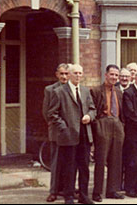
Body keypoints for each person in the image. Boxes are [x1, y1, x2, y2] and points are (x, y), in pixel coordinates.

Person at [48, 64, 96, 204]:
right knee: (69, 167)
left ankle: (83, 195)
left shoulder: (85, 91)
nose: (78, 76)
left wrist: (89, 116)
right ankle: (68, 196)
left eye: (80, 73)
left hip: (85, 135)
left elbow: (93, 109)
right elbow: (52, 114)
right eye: (75, 73)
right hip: (68, 136)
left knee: (84, 167)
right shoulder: (59, 92)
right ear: (69, 74)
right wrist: (65, 128)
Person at [90, 65, 125, 202]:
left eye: (116, 75)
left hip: (117, 124)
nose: (114, 77)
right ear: (106, 75)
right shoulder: (97, 90)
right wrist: (97, 128)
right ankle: (97, 192)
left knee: (116, 160)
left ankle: (112, 190)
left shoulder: (119, 92)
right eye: (112, 74)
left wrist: (121, 126)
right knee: (101, 160)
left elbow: (122, 112)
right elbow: (93, 110)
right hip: (103, 124)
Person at [42, 63, 69, 202]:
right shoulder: (50, 90)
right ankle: (53, 191)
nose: (64, 76)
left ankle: (66, 189)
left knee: (69, 163)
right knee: (56, 162)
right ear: (57, 74)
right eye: (62, 73)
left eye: (66, 73)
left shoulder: (72, 88)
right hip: (57, 132)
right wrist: (55, 125)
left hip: (71, 133)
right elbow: (46, 111)